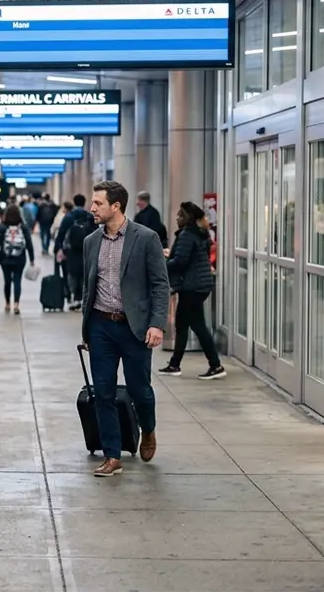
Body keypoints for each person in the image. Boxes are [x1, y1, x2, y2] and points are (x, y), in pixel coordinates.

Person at [80, 181, 170, 478]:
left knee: (139, 390)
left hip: (135, 328)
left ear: (115, 206)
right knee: (103, 392)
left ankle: (149, 429)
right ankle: (112, 455)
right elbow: (88, 285)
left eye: (98, 203)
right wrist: (87, 327)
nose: (92, 208)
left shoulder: (146, 238)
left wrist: (157, 324)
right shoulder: (91, 241)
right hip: (100, 326)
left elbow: (160, 285)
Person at [160, 202, 224, 379]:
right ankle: (175, 364)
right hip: (198, 285)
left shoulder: (187, 235)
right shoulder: (200, 234)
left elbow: (181, 261)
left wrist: (162, 265)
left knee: (197, 326)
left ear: (187, 218)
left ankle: (215, 365)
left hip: (192, 286)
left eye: (180, 215)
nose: (177, 217)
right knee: (182, 324)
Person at [0, 204, 35, 314]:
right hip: (20, 258)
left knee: (7, 282)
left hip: (5, 258)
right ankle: (16, 305)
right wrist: (32, 258)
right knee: (17, 281)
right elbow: (29, 243)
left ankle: (7, 304)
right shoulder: (23, 227)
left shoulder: (2, 227)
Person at [55, 194, 94, 310]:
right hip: (86, 250)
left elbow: (61, 233)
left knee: (70, 273)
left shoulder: (69, 217)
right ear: (84, 202)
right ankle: (82, 298)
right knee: (84, 273)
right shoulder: (89, 216)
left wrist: (58, 248)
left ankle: (72, 298)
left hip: (70, 250)